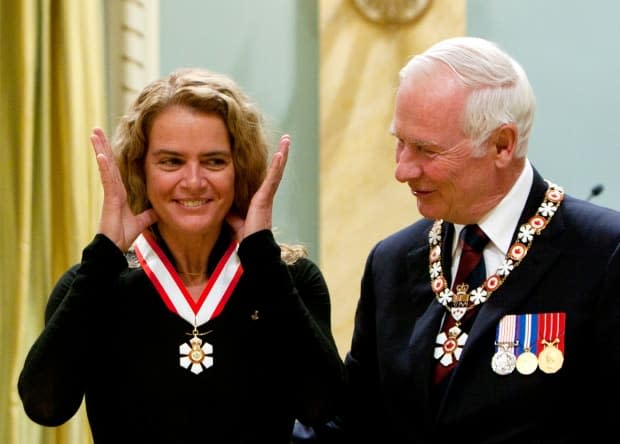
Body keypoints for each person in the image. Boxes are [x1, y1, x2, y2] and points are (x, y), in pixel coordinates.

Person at [18, 67, 345, 443]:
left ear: (240, 169)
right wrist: (104, 255)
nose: (193, 181)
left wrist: (263, 258)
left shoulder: (291, 279)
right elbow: (45, 406)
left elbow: (321, 405)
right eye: (171, 161)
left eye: (214, 161)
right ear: (141, 169)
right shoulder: (93, 283)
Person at [330, 36, 620, 443]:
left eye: (425, 150)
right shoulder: (391, 262)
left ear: (502, 145)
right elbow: (354, 423)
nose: (402, 170)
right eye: (400, 142)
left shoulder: (604, 253)